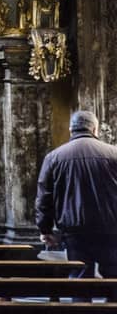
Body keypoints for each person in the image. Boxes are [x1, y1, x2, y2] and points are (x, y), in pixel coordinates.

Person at [36, 108, 117, 279]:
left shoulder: (54, 157)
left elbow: (45, 197)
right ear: (95, 129)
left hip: (74, 230)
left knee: (79, 277)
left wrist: (45, 228)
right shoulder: (114, 154)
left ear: (71, 130)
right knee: (113, 277)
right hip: (110, 227)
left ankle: (80, 304)